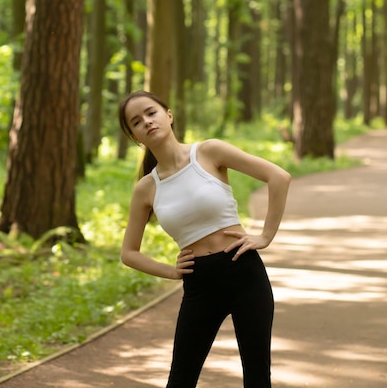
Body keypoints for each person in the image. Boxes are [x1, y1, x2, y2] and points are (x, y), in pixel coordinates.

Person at [118, 90, 291, 388]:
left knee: (257, 377)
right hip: (200, 283)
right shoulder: (146, 188)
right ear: (135, 137)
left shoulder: (209, 152)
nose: (146, 122)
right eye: (136, 121)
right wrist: (171, 272)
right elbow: (129, 253)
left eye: (151, 112)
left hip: (244, 272)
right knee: (181, 380)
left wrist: (265, 236)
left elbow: (279, 177)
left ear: (168, 115)